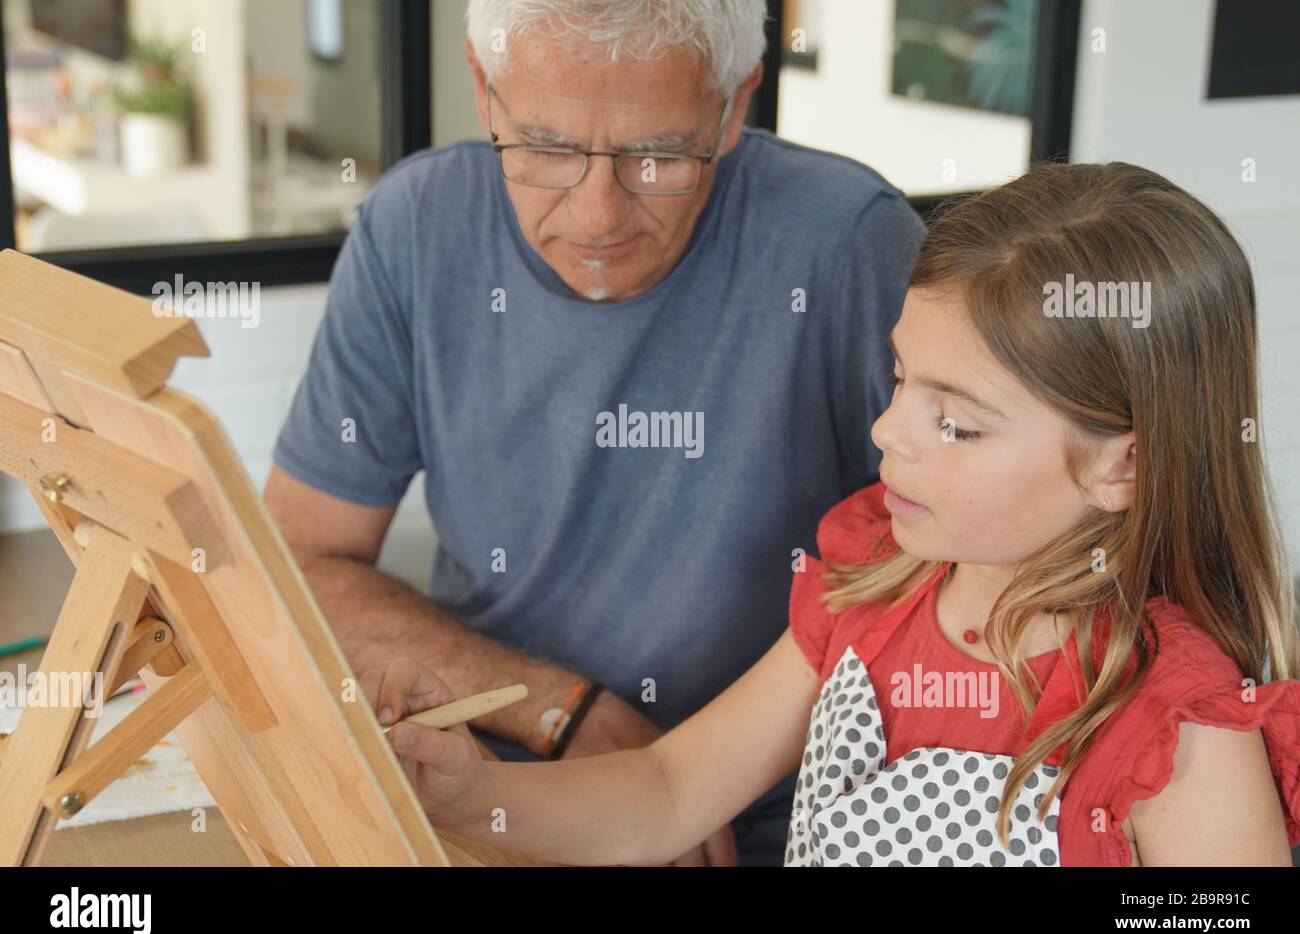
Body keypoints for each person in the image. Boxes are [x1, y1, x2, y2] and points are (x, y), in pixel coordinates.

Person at [361, 160, 1300, 866]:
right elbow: (666, 790)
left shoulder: (1178, 728)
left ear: (1122, 465)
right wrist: (477, 793)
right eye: (899, 379)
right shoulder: (873, 589)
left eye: (958, 423)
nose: (888, 429)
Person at [265, 0, 925, 865]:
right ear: (483, 92)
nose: (596, 217)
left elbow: (966, 586)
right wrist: (556, 711)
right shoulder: (413, 229)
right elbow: (296, 567)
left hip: (769, 830)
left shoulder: (852, 246)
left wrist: (675, 781)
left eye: (657, 155)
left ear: (734, 108)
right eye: (544, 147)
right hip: (483, 792)